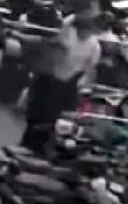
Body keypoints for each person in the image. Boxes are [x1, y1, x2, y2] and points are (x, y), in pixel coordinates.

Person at [22, 11, 101, 152]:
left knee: (56, 118)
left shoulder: (94, 46)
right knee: (37, 113)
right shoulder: (67, 34)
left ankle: (45, 147)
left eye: (84, 30)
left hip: (69, 83)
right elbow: (53, 44)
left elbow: (90, 67)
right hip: (51, 77)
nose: (81, 33)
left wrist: (82, 81)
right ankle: (28, 143)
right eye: (79, 30)